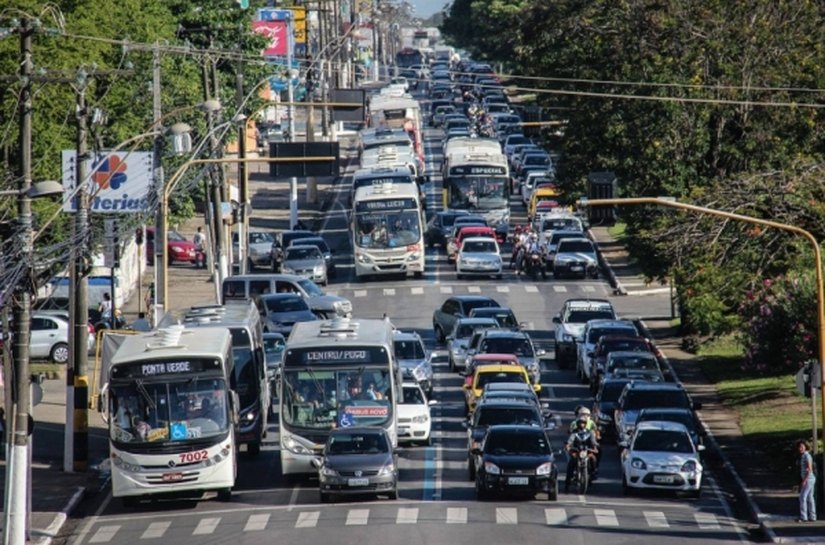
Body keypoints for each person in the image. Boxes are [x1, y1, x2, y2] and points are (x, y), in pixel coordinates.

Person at [565, 415, 599, 493]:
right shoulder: (575, 432)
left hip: (587, 452)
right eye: (580, 423)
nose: (582, 425)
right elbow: (570, 440)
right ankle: (567, 483)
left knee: (593, 459)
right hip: (577, 452)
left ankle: (593, 473)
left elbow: (593, 441)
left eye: (583, 423)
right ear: (577, 424)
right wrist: (568, 446)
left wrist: (595, 446)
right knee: (571, 464)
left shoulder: (589, 432)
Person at [797, 439, 817, 522]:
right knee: (810, 497)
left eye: (802, 447)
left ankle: (804, 516)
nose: (800, 448)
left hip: (808, 479)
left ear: (805, 447)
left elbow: (809, 469)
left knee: (802, 497)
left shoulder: (806, 456)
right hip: (810, 479)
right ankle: (812, 516)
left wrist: (804, 480)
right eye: (799, 447)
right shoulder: (803, 456)